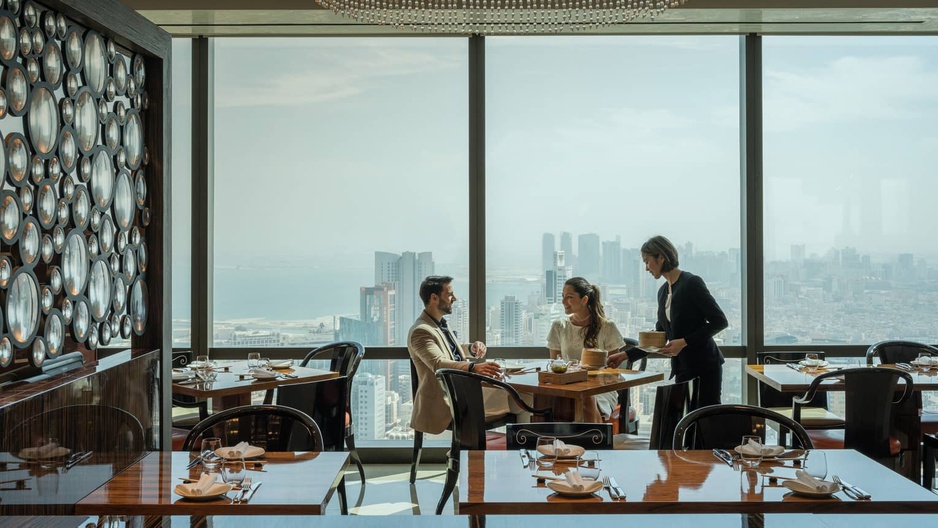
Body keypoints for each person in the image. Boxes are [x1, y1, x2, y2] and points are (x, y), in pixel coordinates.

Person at [608, 235, 728, 408]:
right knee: (687, 422)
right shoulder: (664, 291)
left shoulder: (691, 283)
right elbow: (659, 335)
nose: (646, 268)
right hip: (682, 367)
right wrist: (626, 355)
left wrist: (684, 342)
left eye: (647, 261)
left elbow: (720, 321)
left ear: (661, 257)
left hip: (705, 365)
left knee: (706, 420)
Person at [407, 275, 503, 435]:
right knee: (517, 400)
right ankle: (527, 450)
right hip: (448, 400)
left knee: (516, 397)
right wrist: (473, 367)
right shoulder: (421, 331)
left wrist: (471, 348)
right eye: (450, 294)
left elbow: (447, 351)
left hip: (462, 391)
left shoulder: (439, 324)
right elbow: (438, 363)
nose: (455, 298)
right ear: (434, 298)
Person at [547, 277, 625, 422]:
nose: (564, 301)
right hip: (567, 386)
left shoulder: (607, 327)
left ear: (584, 299)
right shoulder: (559, 326)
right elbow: (554, 364)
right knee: (544, 402)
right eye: (563, 296)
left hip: (599, 388)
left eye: (569, 297)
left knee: (587, 398)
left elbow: (613, 370)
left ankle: (593, 441)